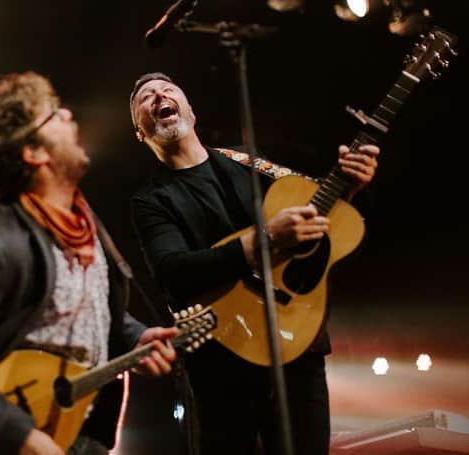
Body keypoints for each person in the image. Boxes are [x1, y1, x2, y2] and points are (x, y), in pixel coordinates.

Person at [0, 71, 179, 455]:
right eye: (54, 115)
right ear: (34, 152)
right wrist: (21, 437)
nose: (68, 115)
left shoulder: (85, 223)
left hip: (78, 431)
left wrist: (135, 338)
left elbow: (90, 309)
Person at [127, 72, 380, 455]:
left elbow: (317, 226)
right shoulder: (151, 200)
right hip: (222, 362)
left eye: (168, 89)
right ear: (140, 133)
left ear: (191, 112)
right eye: (146, 97)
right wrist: (265, 240)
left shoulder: (247, 162)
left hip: (295, 347)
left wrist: (350, 189)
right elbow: (173, 272)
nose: (158, 95)